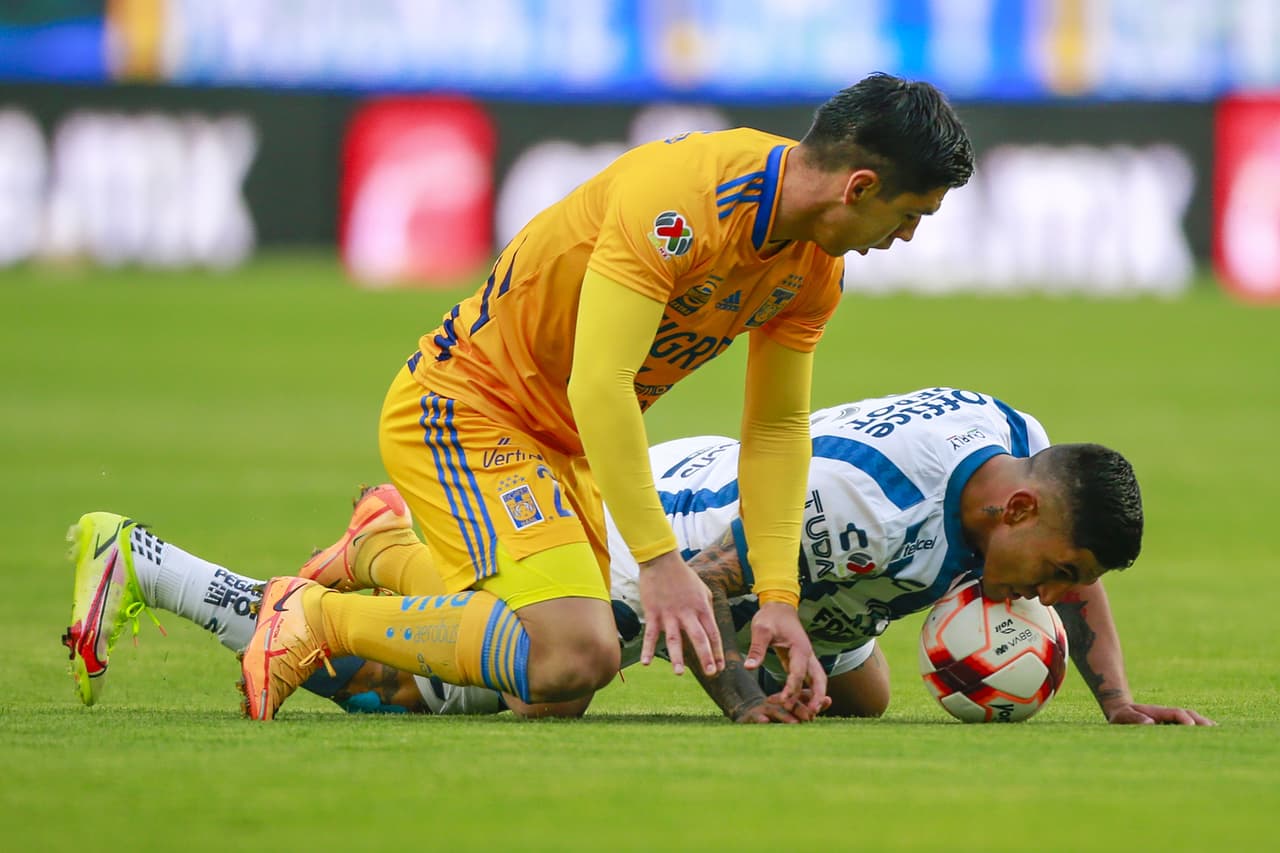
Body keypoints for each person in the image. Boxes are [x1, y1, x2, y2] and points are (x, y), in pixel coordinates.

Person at [228, 72, 975, 720]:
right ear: (859, 187)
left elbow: (777, 427)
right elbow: (601, 381)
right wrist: (659, 561)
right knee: (575, 653)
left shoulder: (814, 269)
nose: (908, 236)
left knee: (551, 692)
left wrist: (778, 595)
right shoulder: (683, 203)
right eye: (911, 214)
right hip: (469, 407)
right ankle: (314, 617)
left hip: (566, 442)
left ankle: (384, 549)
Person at [61, 386, 1213, 725]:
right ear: (1014, 510)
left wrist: (1115, 697)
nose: (1056, 599)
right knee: (495, 684)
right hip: (659, 537)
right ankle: (161, 564)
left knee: (857, 700)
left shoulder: (1019, 451)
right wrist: (740, 703)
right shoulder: (865, 505)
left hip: (804, 571)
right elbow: (708, 589)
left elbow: (1076, 568)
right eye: (1055, 573)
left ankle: (388, 545)